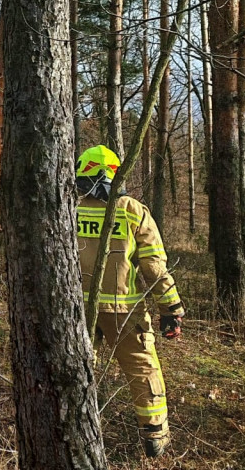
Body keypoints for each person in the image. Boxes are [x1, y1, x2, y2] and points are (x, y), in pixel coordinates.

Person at [76, 144, 185, 459]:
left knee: (80, 370)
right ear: (114, 174)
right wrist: (171, 310)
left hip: (79, 310)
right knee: (143, 371)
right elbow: (154, 267)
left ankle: (77, 432)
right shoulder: (131, 210)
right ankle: (155, 440)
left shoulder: (69, 208)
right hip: (126, 312)